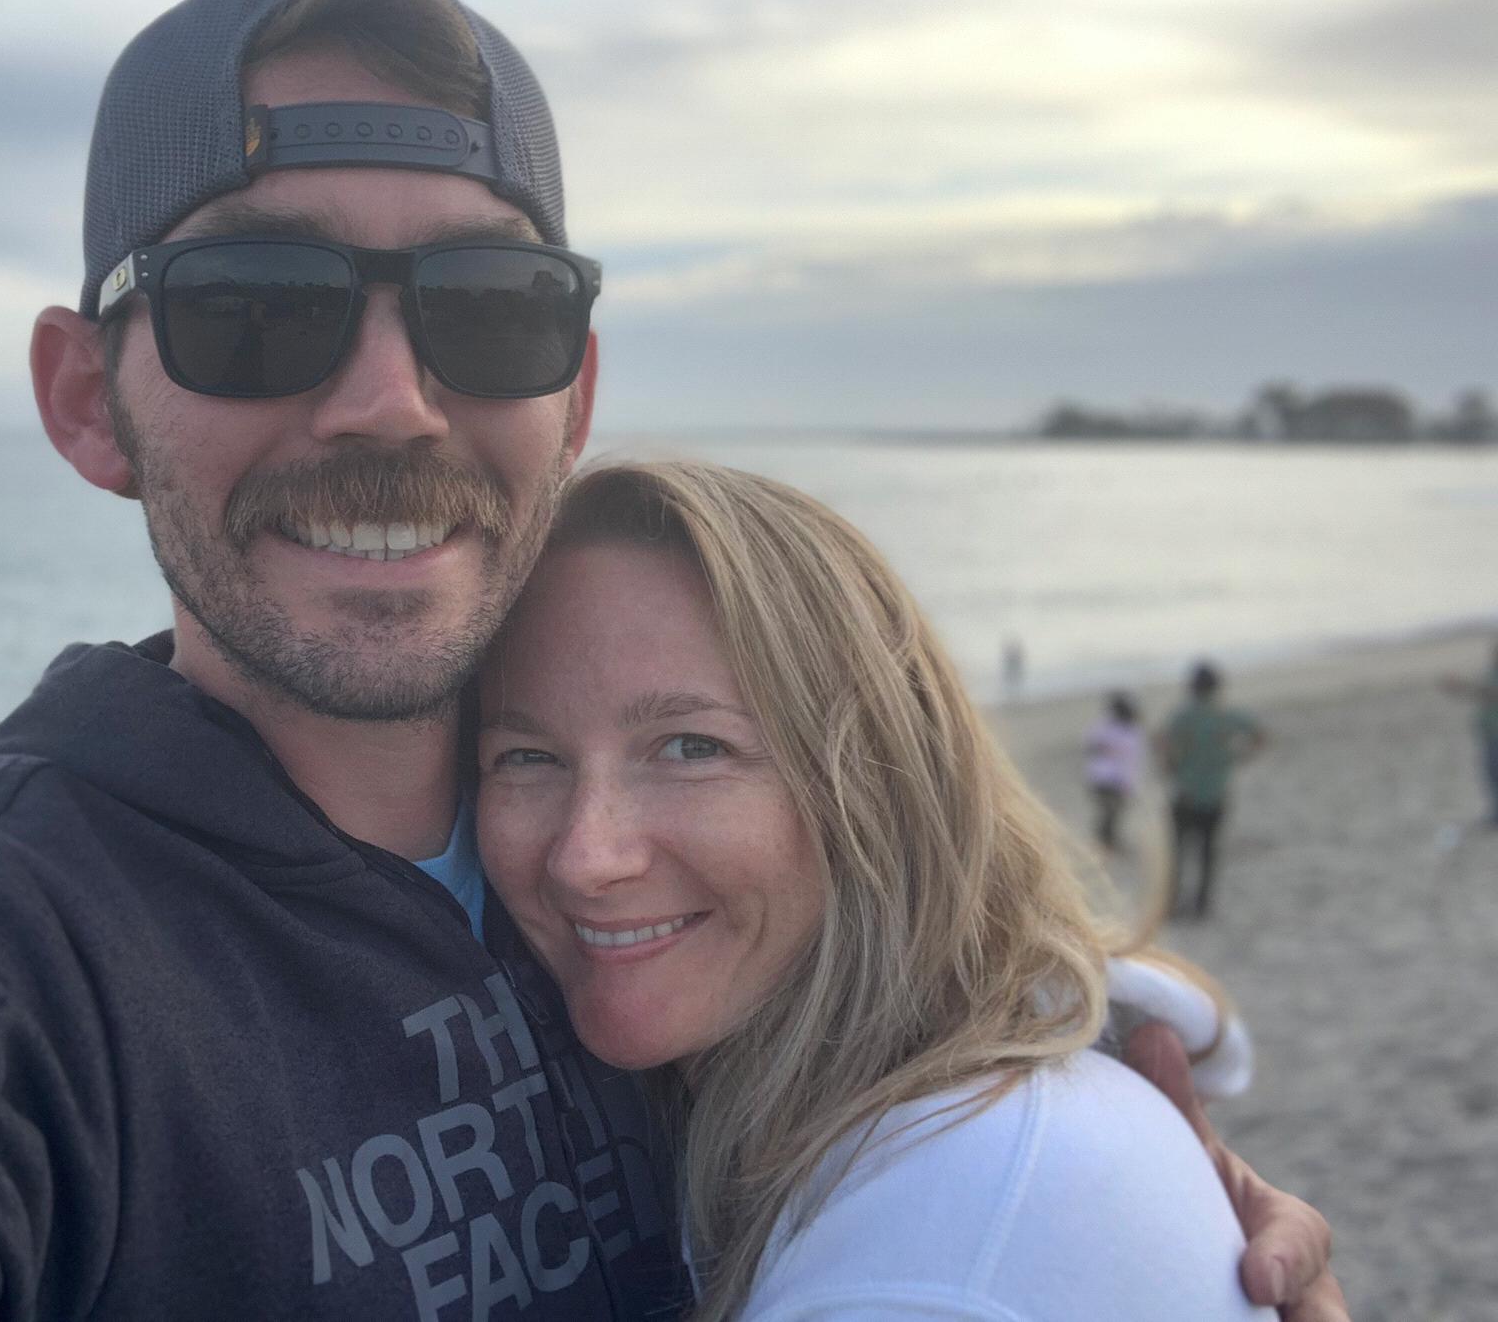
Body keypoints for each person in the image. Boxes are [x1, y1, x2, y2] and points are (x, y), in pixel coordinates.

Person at [0, 0, 1342, 1319]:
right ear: (85, 400)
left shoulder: (629, 898)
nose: (390, 400)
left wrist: (1130, 1192)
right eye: (252, 305)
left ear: (575, 394)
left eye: (489, 307)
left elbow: (925, 1007)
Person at [477, 461, 1276, 1320]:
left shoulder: (936, 1251)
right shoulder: (814, 1128)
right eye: (527, 757)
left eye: (692, 747)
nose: (585, 858)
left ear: (879, 784)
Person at [1162, 661, 1267, 918]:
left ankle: (1173, 903)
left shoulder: (1184, 716)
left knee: (1179, 853)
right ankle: (1201, 904)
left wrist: (1172, 767)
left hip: (1186, 793)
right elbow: (1260, 735)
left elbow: (1163, 742)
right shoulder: (1227, 716)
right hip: (1216, 793)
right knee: (1208, 852)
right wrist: (1239, 757)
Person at [1440, 640, 1498, 826]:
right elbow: (1480, 692)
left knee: (1494, 771)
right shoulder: (1490, 672)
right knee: (1490, 773)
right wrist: (1459, 687)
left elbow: (1488, 692)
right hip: (1488, 731)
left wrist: (1461, 685)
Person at [1085, 691, 1145, 849]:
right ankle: (1106, 842)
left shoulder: (1107, 727)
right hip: (1109, 779)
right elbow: (1129, 762)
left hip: (1103, 778)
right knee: (1111, 812)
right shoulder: (1126, 732)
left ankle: (1105, 842)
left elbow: (1092, 745)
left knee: (1110, 813)